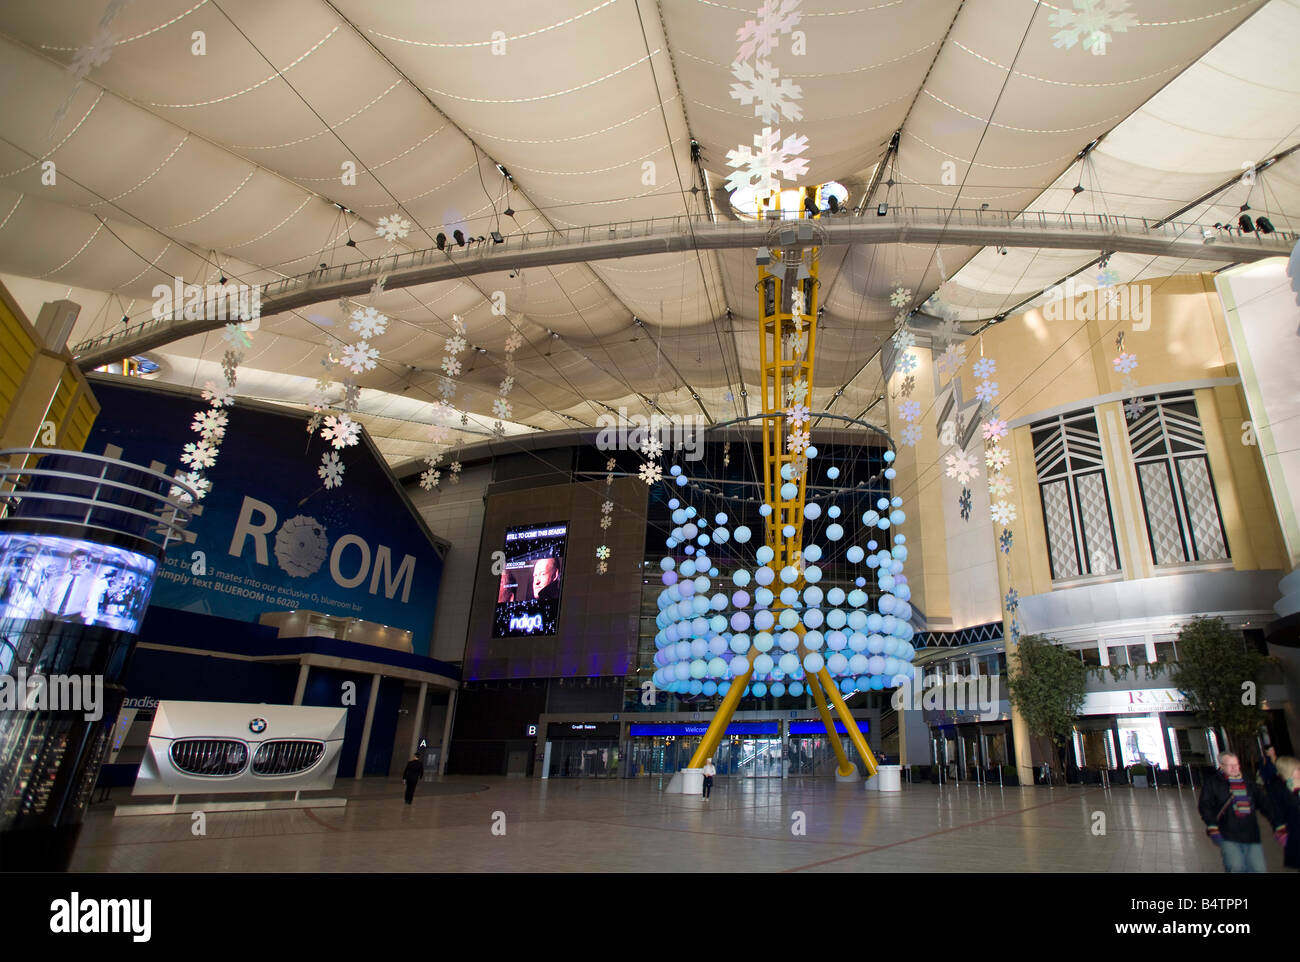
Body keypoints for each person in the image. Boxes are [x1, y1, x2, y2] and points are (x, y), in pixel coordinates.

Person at [1197, 751, 1284, 872]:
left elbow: (1266, 805)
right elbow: (1205, 806)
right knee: (1236, 866)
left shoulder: (1247, 783)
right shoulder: (1213, 784)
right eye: (1230, 765)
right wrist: (1212, 825)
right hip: (1227, 834)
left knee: (1258, 868)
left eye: (1236, 764)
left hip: (1251, 833)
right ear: (1221, 766)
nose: (1234, 768)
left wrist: (1278, 824)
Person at [1260, 747, 1299, 871]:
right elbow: (1277, 813)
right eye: (1297, 769)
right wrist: (1281, 831)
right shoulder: (1279, 791)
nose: (1299, 771)